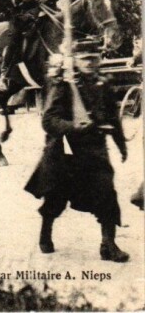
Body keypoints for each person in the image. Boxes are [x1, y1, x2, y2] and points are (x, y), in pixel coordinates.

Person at [27, 37, 129, 262]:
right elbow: (49, 120)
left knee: (106, 193)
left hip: (95, 150)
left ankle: (108, 244)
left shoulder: (103, 83)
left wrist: (121, 144)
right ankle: (45, 233)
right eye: (85, 59)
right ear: (76, 61)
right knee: (56, 196)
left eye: (95, 58)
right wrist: (73, 127)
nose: (91, 63)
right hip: (66, 151)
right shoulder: (64, 85)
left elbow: (113, 116)